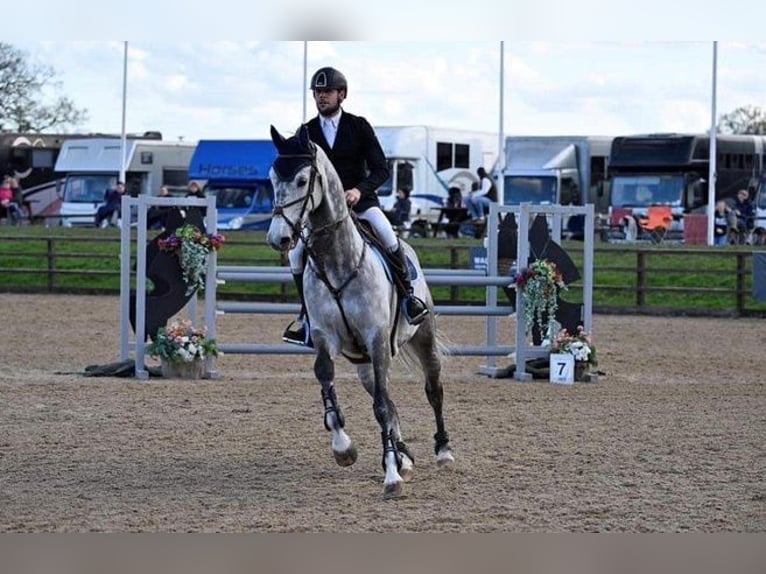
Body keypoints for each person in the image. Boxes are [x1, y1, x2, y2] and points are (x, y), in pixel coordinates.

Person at [283, 66, 429, 346]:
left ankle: (409, 298)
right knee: (295, 254)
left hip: (360, 203)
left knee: (386, 233)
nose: (321, 97)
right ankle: (306, 317)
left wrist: (359, 191)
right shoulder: (307, 132)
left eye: (326, 92)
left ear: (342, 94)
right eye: (317, 92)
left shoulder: (358, 126)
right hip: (322, 213)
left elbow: (380, 169)